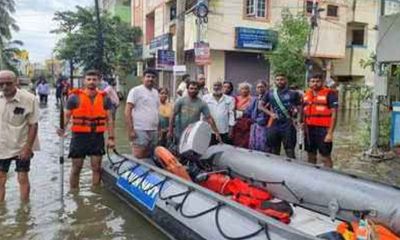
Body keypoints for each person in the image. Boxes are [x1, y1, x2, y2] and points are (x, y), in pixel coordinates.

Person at [58, 70, 115, 190]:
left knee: (96, 167)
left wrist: (111, 138)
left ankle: (95, 193)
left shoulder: (105, 99)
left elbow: (110, 119)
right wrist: (62, 129)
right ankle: (74, 193)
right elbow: (67, 116)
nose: (91, 82)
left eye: (94, 79)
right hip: (79, 137)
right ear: (84, 81)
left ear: (99, 81)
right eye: (89, 79)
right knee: (76, 168)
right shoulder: (74, 97)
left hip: (97, 136)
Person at [0, 70, 39, 202]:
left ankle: (24, 211)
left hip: (21, 144)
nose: (4, 87)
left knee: (22, 177)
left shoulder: (29, 99)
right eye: (1, 84)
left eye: (8, 83)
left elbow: (33, 125)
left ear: (16, 82)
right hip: (1, 145)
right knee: (0, 178)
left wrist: (28, 147)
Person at [259, 74, 301, 159]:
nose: (279, 81)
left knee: (289, 149)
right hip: (274, 123)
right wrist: (271, 114)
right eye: (277, 80)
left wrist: (298, 118)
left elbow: (300, 107)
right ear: (275, 81)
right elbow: (260, 106)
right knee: (274, 148)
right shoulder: (270, 93)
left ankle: (292, 168)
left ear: (286, 80)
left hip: (288, 123)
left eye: (282, 79)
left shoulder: (293, 93)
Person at [303, 73, 338, 168]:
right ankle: (311, 174)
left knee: (325, 156)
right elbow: (303, 112)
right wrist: (301, 124)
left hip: (324, 129)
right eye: (312, 81)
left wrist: (330, 133)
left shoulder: (330, 94)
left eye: (317, 81)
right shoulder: (306, 94)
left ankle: (329, 176)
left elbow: (334, 114)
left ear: (322, 82)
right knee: (310, 154)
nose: (315, 83)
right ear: (309, 83)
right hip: (309, 129)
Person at [125, 69, 160, 159]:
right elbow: (127, 111)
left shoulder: (156, 92)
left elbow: (156, 111)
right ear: (142, 78)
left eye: (153, 77)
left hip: (153, 130)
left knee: (150, 156)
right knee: (138, 156)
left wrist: (158, 129)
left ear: (156, 79)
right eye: (148, 76)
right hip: (139, 129)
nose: (150, 79)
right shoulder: (135, 91)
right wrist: (130, 130)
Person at [246, 81, 269, 152]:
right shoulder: (254, 99)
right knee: (253, 145)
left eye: (261, 87)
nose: (260, 89)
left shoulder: (269, 98)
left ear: (266, 87)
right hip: (254, 124)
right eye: (258, 87)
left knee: (263, 144)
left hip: (264, 125)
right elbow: (248, 111)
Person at [232, 82, 253, 148]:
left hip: (248, 123)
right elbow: (233, 110)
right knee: (237, 141)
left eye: (246, 89)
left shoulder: (252, 99)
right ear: (239, 90)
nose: (244, 90)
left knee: (246, 142)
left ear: (249, 90)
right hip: (238, 123)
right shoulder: (236, 99)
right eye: (242, 89)